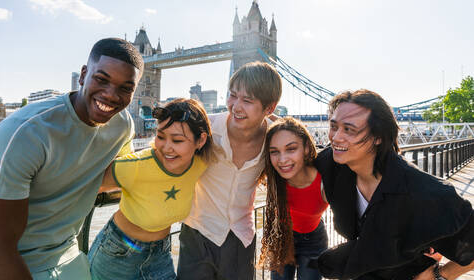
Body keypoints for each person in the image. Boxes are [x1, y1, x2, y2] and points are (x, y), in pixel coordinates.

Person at [0, 38, 143, 280]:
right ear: (83, 75)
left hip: (68, 255)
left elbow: (119, 173)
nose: (111, 95)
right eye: (102, 79)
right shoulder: (25, 132)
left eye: (125, 88)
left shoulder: (123, 126)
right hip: (8, 263)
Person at [313, 89, 474, 279]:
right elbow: (288, 157)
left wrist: (439, 275)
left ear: (378, 137)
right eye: (334, 126)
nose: (336, 137)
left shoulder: (424, 193)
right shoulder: (332, 164)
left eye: (349, 129)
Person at [88, 98, 216, 280]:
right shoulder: (135, 166)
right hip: (116, 251)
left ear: (200, 140)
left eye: (177, 140)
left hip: (160, 252)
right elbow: (86, 185)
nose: (166, 148)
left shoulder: (201, 164)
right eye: (161, 136)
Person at [177, 61, 282, 280]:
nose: (235, 106)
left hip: (241, 239)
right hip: (197, 234)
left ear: (269, 108)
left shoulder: (276, 138)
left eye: (247, 100)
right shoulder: (206, 128)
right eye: (232, 95)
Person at [259, 117, 329, 280]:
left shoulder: (324, 180)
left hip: (313, 241)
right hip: (281, 239)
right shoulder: (273, 174)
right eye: (274, 151)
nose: (282, 160)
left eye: (291, 149)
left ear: (305, 148)